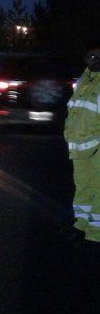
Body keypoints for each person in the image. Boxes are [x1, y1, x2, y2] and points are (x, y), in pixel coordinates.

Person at [65, 48, 100, 242]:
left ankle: (95, 235)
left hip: (97, 146)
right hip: (79, 145)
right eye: (92, 56)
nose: (94, 59)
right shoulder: (83, 79)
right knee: (83, 187)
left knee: (98, 188)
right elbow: (74, 108)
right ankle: (80, 227)